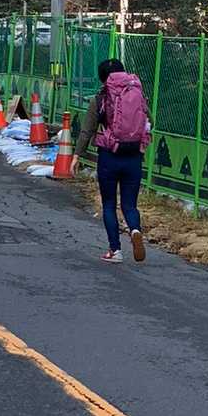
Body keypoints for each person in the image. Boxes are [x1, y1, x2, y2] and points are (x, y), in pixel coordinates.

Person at [73, 58, 148, 264]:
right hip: (133, 155)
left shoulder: (100, 99)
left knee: (108, 204)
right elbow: (149, 120)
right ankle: (135, 230)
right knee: (130, 205)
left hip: (109, 156)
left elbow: (87, 130)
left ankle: (115, 251)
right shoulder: (137, 93)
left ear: (102, 78)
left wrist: (77, 155)